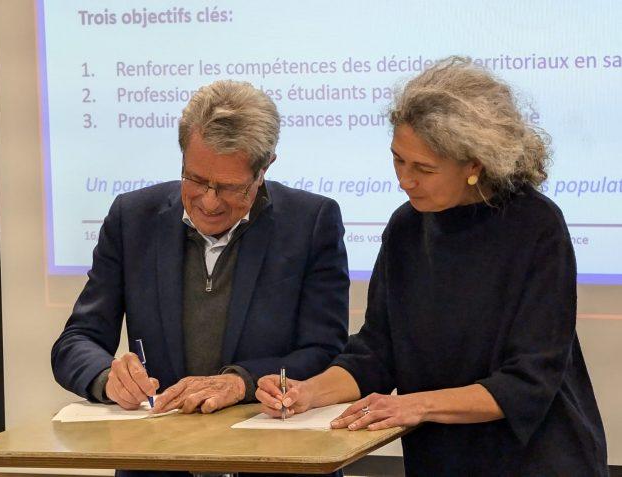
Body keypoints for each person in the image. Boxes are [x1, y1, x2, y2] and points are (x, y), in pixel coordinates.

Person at [256, 57, 608, 476]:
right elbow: (377, 353)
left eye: (423, 168)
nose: (405, 180)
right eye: (398, 160)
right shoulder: (406, 227)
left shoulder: (536, 225)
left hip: (537, 459)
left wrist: (417, 404)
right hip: (442, 459)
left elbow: (529, 380)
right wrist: (308, 392)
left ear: (474, 164)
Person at [51, 80, 349, 477]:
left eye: (229, 188)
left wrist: (242, 383)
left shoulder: (310, 223)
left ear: (264, 169)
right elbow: (76, 342)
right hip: (158, 463)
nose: (209, 201)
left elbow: (326, 350)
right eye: (195, 179)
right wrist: (108, 377)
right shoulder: (133, 218)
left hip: (277, 461)